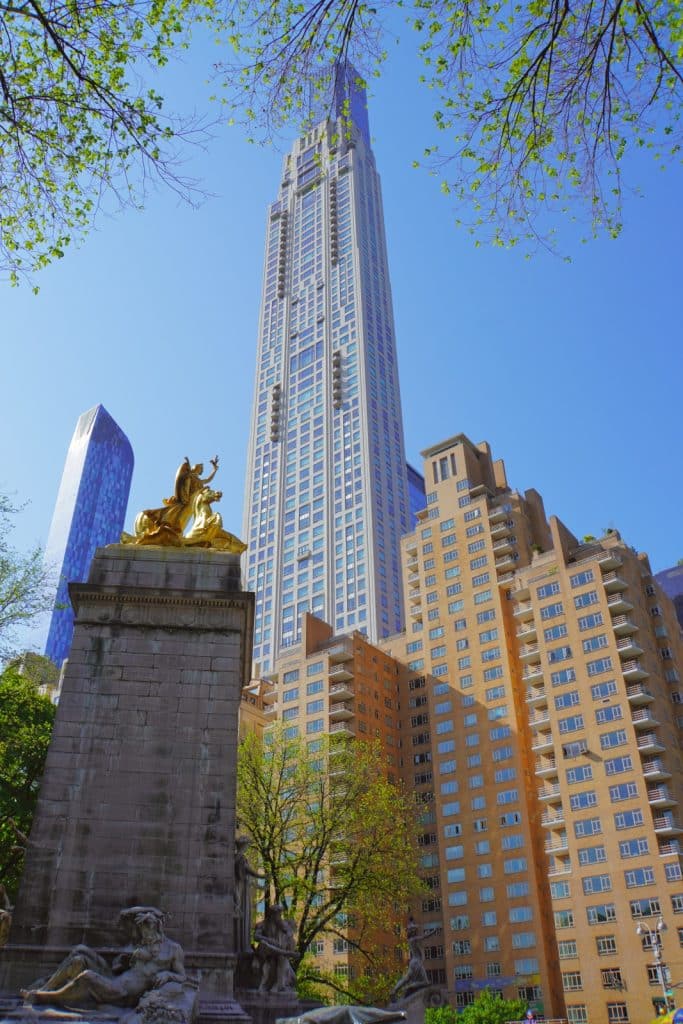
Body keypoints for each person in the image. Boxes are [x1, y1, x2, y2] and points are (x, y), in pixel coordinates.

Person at [21, 907, 185, 1008]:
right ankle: (45, 988)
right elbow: (116, 967)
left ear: (157, 927)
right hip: (115, 979)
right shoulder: (140, 945)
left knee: (87, 977)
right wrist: (123, 962)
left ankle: (44, 997)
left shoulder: (172, 949)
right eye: (142, 930)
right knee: (80, 952)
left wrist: (167, 974)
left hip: (123, 993)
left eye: (147, 929)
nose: (144, 934)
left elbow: (182, 976)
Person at [253, 904, 298, 994]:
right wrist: (268, 939)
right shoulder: (263, 924)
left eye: (279, 914)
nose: (278, 916)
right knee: (265, 945)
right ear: (271, 914)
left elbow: (290, 937)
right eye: (276, 914)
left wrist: (285, 929)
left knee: (282, 957)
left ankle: (278, 985)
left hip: (277, 951)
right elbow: (256, 937)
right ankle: (285, 954)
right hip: (265, 950)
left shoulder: (283, 924)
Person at [234, 836, 266, 952]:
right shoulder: (240, 859)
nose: (248, 847)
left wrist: (261, 886)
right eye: (247, 845)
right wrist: (262, 876)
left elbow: (250, 879)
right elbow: (249, 872)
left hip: (244, 892)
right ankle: (242, 947)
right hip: (241, 893)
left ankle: (243, 946)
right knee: (243, 919)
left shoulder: (240, 858)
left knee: (244, 918)